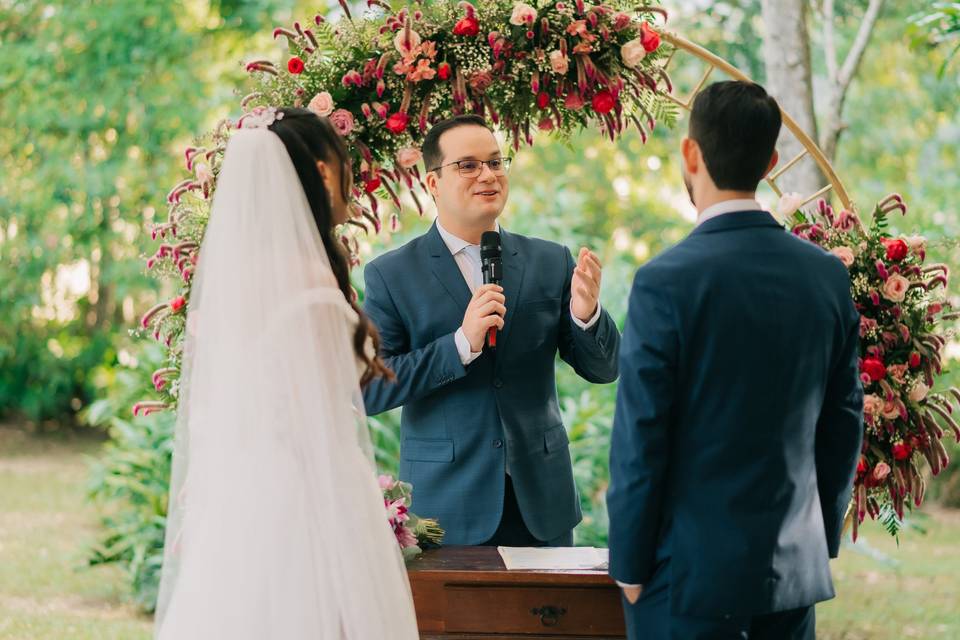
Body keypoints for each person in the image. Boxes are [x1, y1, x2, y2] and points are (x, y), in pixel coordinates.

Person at [607, 81, 864, 640]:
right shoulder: (827, 277)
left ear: (691, 154)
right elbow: (843, 425)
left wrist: (628, 566)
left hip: (686, 578)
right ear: (770, 162)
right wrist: (815, 539)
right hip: (792, 574)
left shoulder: (664, 281)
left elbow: (641, 439)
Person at [154, 108, 419, 639]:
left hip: (249, 502)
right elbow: (316, 433)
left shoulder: (246, 283)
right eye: (347, 165)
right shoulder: (312, 294)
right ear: (324, 172)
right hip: (309, 509)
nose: (355, 182)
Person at [362, 114, 620, 547]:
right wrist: (460, 344)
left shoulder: (549, 260)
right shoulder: (391, 274)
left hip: (541, 505)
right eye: (468, 165)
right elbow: (370, 389)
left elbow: (604, 368)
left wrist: (586, 314)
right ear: (432, 183)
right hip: (445, 508)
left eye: (496, 162)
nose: (488, 175)